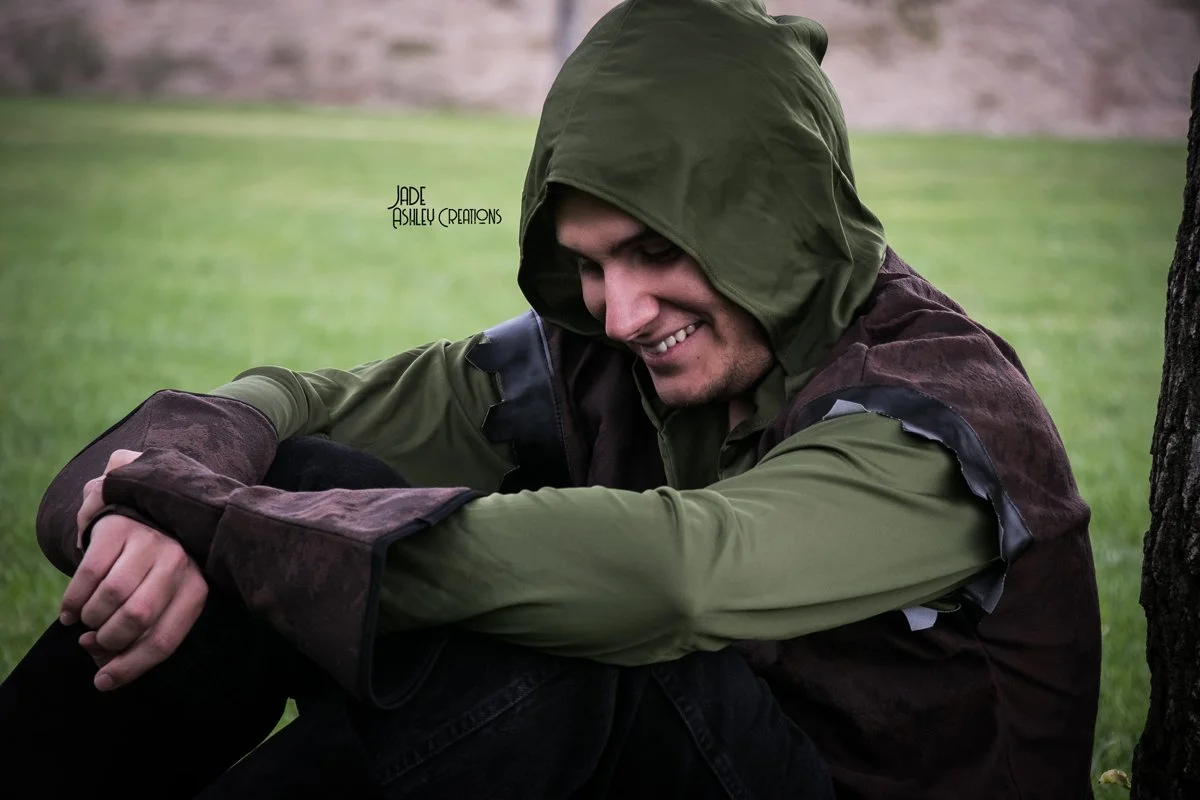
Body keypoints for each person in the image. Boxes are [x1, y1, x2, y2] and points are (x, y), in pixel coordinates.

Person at [0, 1, 1101, 797]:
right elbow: (302, 407)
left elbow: (672, 574)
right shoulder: (604, 352)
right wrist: (176, 492)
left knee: (575, 644)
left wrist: (252, 542)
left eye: (654, 248)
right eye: (587, 262)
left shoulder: (942, 416)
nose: (618, 312)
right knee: (296, 482)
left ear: (765, 207)